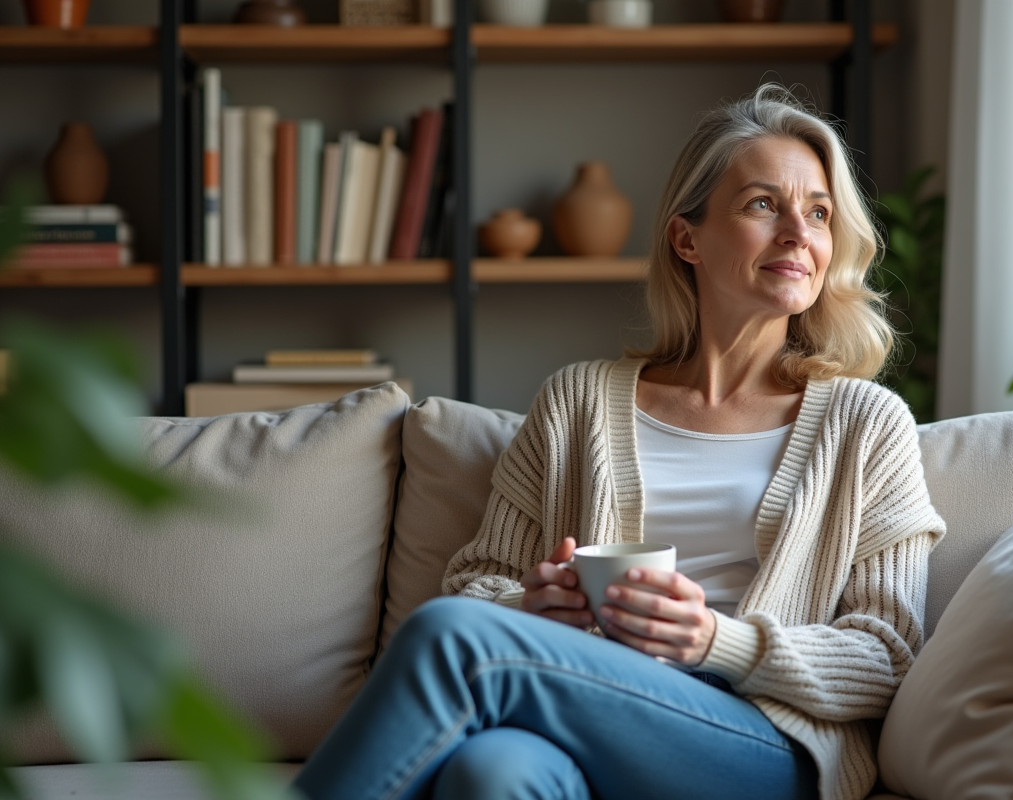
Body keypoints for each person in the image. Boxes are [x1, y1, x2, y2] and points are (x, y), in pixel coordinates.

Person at [293, 83, 946, 800]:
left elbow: (886, 655)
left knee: (452, 638)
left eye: (819, 213)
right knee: (492, 773)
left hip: (762, 741)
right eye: (764, 204)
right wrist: (532, 610)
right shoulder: (578, 400)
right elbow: (476, 584)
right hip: (588, 709)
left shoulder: (866, 424)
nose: (799, 231)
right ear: (685, 237)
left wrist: (713, 641)